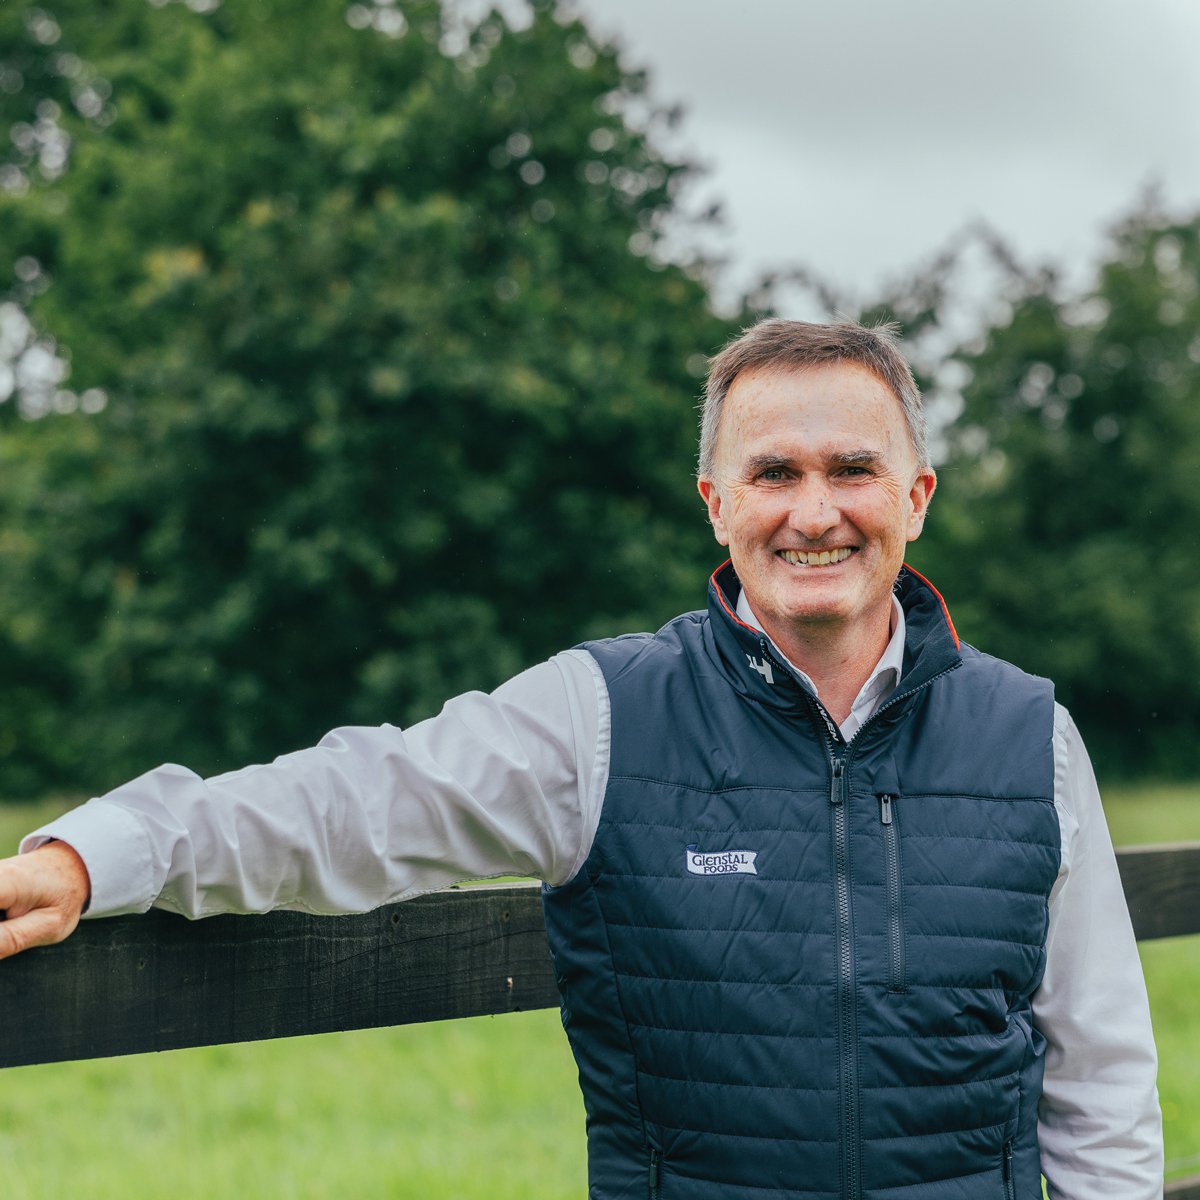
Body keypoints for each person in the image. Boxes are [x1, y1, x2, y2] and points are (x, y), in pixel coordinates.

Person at [0, 320, 1162, 1198]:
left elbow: (1100, 1073)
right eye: (774, 473)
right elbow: (353, 802)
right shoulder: (600, 718)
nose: (816, 511)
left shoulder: (1031, 736)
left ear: (915, 496)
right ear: (717, 504)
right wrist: (100, 855)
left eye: (853, 470)